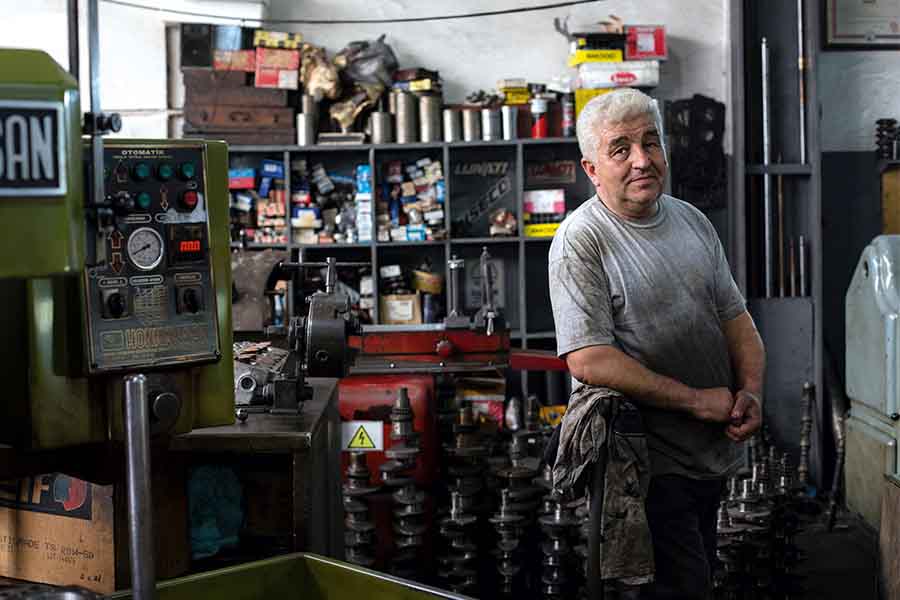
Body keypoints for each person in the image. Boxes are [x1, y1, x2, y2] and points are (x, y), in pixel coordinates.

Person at [548, 88, 765, 598]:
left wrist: (751, 389)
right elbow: (588, 358)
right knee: (681, 585)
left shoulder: (693, 221)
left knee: (701, 571)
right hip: (644, 464)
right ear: (591, 168)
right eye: (620, 149)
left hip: (709, 450)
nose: (642, 160)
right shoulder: (581, 241)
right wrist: (695, 400)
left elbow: (736, 319)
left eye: (652, 143)